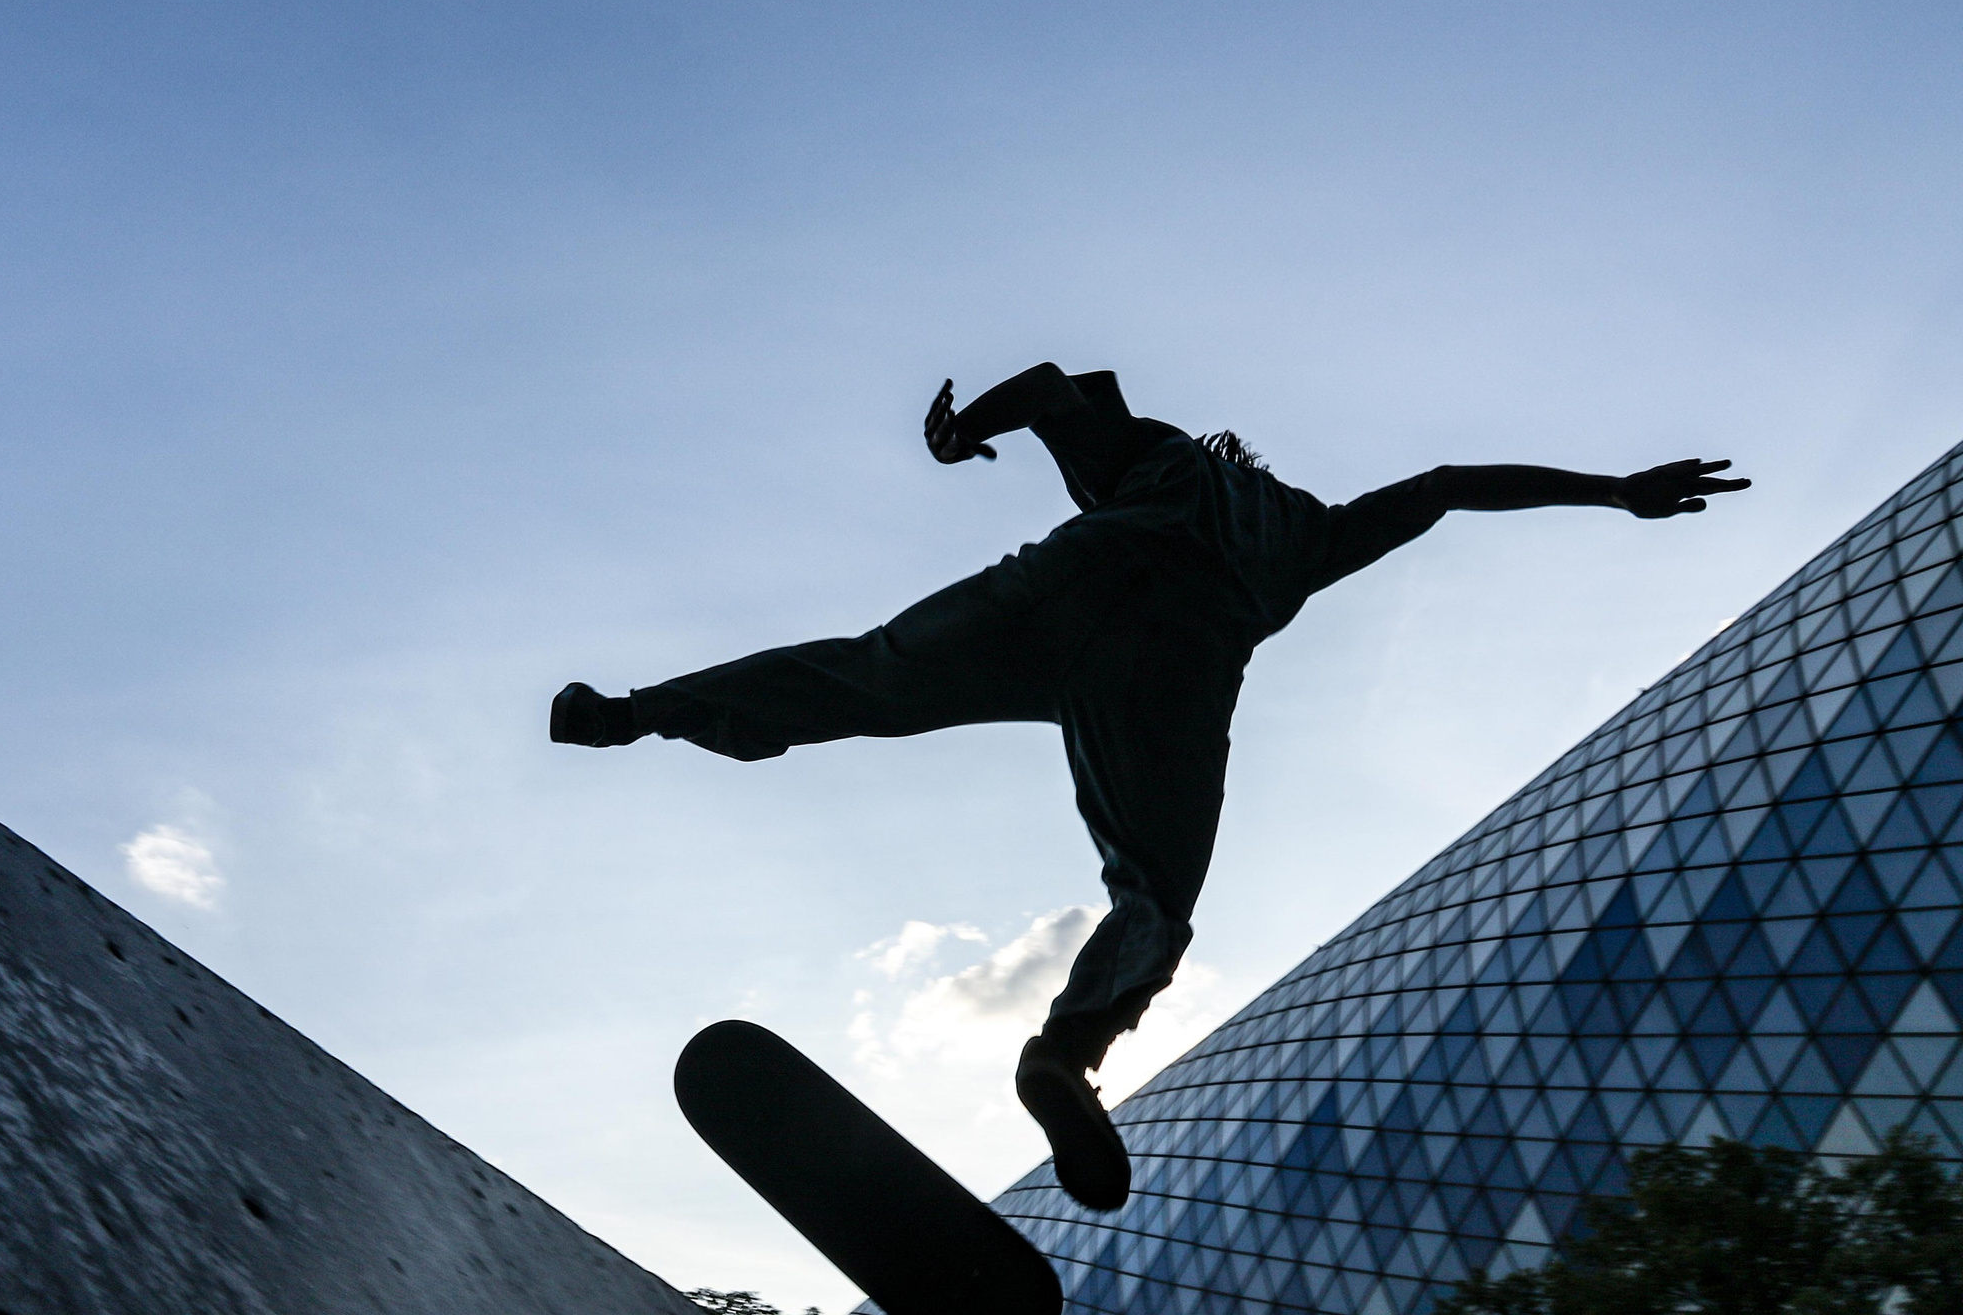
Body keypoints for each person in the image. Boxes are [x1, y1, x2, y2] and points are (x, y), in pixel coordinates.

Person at [551, 364, 1750, 1211]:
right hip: (1171, 681)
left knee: (863, 677)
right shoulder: (1312, 531)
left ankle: (633, 712)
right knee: (1156, 898)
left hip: (1053, 599)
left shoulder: (1162, 455)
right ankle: (1066, 1055)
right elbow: (1442, 485)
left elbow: (1046, 386)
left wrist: (966, 428)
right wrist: (1613, 490)